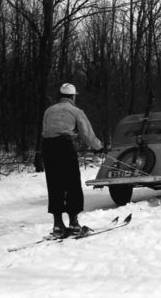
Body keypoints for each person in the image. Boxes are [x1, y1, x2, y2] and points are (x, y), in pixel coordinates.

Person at [42, 83, 104, 236]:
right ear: (73, 97)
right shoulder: (76, 111)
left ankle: (57, 225)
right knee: (72, 184)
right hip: (64, 146)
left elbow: (45, 130)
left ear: (60, 96)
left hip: (48, 148)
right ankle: (74, 223)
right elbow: (87, 133)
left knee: (55, 184)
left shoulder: (48, 111)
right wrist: (98, 147)